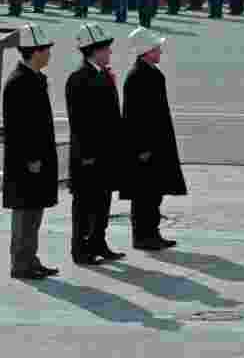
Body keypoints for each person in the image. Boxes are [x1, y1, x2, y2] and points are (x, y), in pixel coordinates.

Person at [121, 27, 188, 250]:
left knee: (154, 192)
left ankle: (152, 232)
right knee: (144, 194)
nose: (160, 51)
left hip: (156, 144)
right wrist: (141, 147)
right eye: (156, 47)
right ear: (146, 51)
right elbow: (134, 117)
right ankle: (143, 236)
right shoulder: (138, 76)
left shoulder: (149, 73)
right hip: (146, 147)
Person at [3, 23, 60, 280]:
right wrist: (32, 158)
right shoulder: (18, 82)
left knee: (34, 210)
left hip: (37, 159)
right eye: (45, 50)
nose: (49, 54)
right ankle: (20, 263)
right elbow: (19, 128)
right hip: (26, 161)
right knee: (25, 212)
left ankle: (30, 258)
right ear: (34, 52)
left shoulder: (33, 78)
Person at [66, 23, 125, 265]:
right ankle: (80, 249)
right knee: (84, 204)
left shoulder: (103, 75)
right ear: (94, 51)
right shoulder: (78, 78)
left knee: (102, 201)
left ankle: (98, 242)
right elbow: (79, 121)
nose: (109, 53)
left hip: (106, 153)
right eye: (105, 49)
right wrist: (86, 153)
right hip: (88, 155)